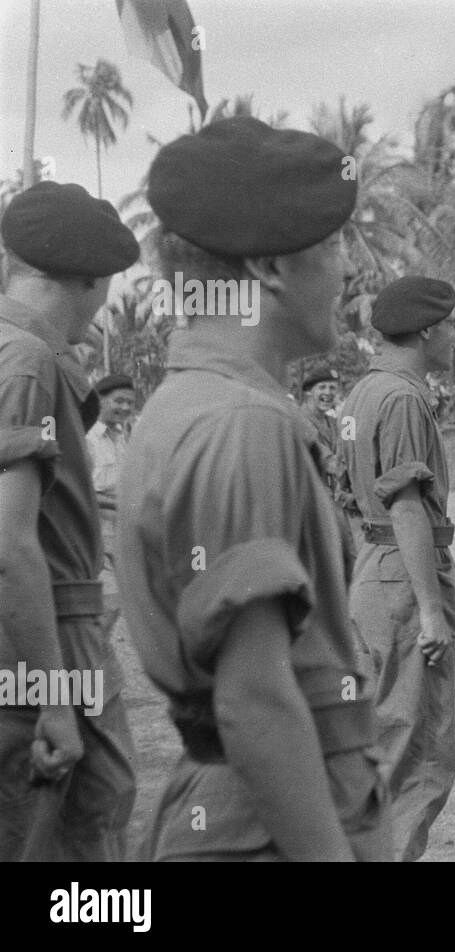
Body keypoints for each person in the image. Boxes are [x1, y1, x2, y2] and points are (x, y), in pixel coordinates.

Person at [116, 116, 391, 860]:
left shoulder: (185, 403)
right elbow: (255, 698)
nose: (346, 271)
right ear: (270, 268)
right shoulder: (244, 425)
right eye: (333, 246)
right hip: (270, 828)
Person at [0, 181, 139, 860]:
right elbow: (11, 546)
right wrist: (56, 699)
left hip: (34, 632)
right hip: (47, 633)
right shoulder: (26, 361)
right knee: (72, 831)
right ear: (90, 278)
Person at [338, 275, 455, 862]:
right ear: (428, 330)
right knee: (417, 753)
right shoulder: (404, 398)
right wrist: (433, 611)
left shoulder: (362, 394)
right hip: (407, 571)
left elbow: (347, 499)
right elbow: (407, 506)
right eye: (453, 326)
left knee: (379, 737)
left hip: (372, 569)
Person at [86, 373, 136, 637]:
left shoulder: (121, 436)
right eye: (119, 401)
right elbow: (83, 492)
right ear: (100, 400)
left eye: (130, 403)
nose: (126, 408)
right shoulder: (87, 438)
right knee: (107, 607)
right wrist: (122, 505)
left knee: (114, 609)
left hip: (120, 537)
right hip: (95, 537)